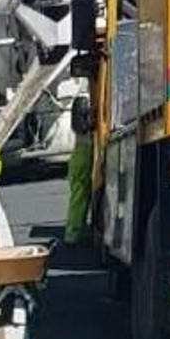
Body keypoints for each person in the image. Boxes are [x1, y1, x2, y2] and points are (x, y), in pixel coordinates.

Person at [64, 96, 96, 245]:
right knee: (79, 197)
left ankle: (74, 231)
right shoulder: (86, 127)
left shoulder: (79, 125)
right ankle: (72, 233)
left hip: (78, 159)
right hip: (83, 159)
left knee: (78, 197)